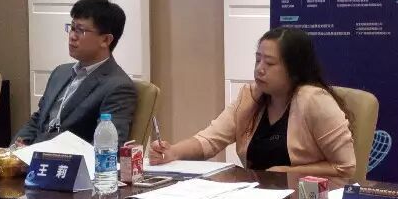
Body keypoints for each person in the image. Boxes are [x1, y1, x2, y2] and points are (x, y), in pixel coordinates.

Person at [150, 28, 356, 179]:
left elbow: (345, 167)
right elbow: (210, 140)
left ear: (294, 69)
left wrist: (288, 172)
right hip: (258, 198)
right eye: (258, 60)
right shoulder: (250, 97)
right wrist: (173, 152)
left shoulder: (314, 100)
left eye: (270, 63)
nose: (259, 69)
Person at [14, 0, 137, 145]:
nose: (72, 36)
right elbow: (38, 120)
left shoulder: (118, 87)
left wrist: (39, 153)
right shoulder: (60, 72)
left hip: (67, 158)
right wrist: (14, 149)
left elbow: (107, 146)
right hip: (32, 155)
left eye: (80, 30)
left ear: (105, 40)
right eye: (72, 28)